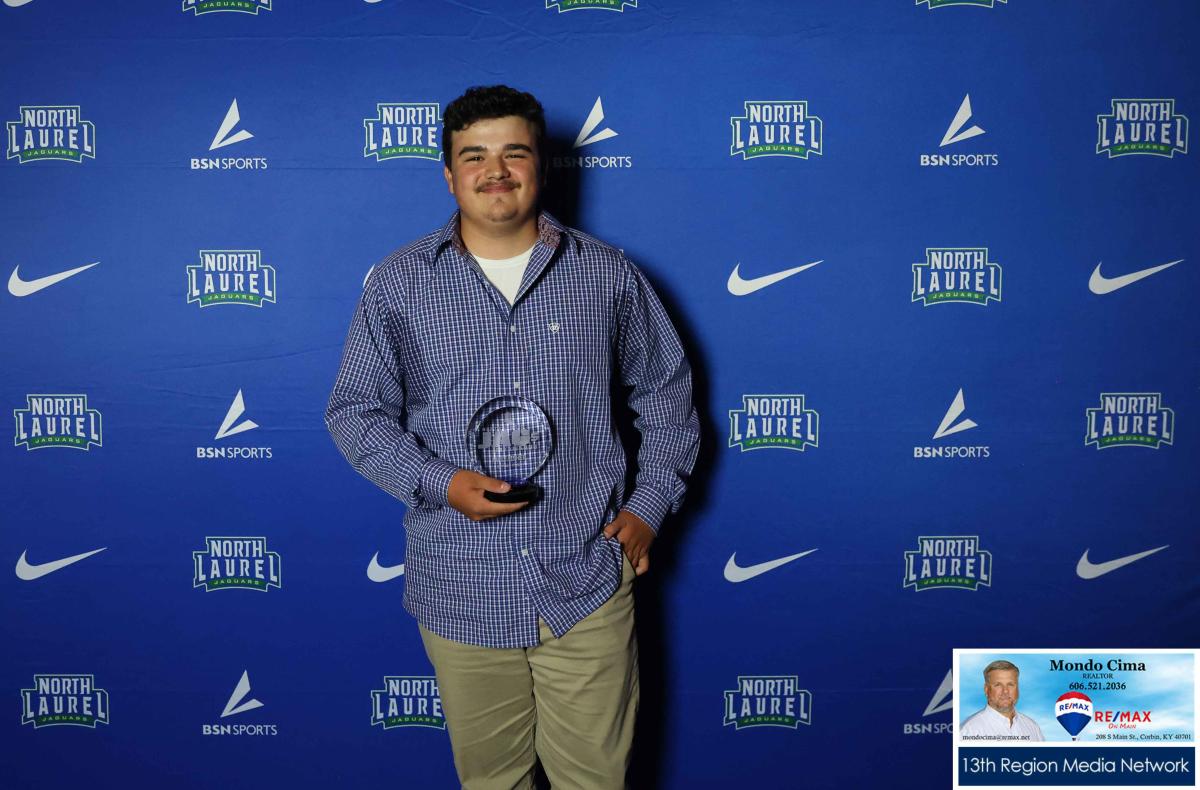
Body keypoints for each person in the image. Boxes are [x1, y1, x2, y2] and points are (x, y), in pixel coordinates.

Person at [325, 85, 699, 789]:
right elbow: (354, 412)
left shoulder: (607, 274)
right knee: (493, 783)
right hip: (459, 584)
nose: (495, 171)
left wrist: (649, 506)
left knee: (595, 782)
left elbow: (667, 395)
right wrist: (442, 483)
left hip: (584, 579)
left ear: (541, 167)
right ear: (449, 174)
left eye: (514, 153)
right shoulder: (399, 283)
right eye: (474, 156)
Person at [960, 660, 1045, 741]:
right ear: (986, 689)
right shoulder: (968, 731)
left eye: (1010, 684)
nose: (1005, 691)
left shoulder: (1032, 727)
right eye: (998, 685)